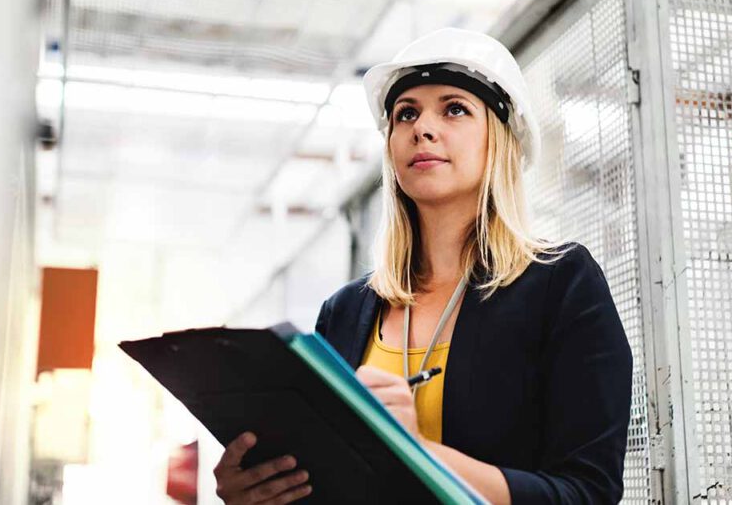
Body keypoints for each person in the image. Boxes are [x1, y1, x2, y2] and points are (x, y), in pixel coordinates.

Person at [213, 28, 633, 504]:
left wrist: (415, 452)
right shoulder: (346, 311)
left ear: (498, 139)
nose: (422, 128)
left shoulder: (560, 283)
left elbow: (588, 492)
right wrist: (258, 493)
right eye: (405, 113)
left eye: (454, 108)